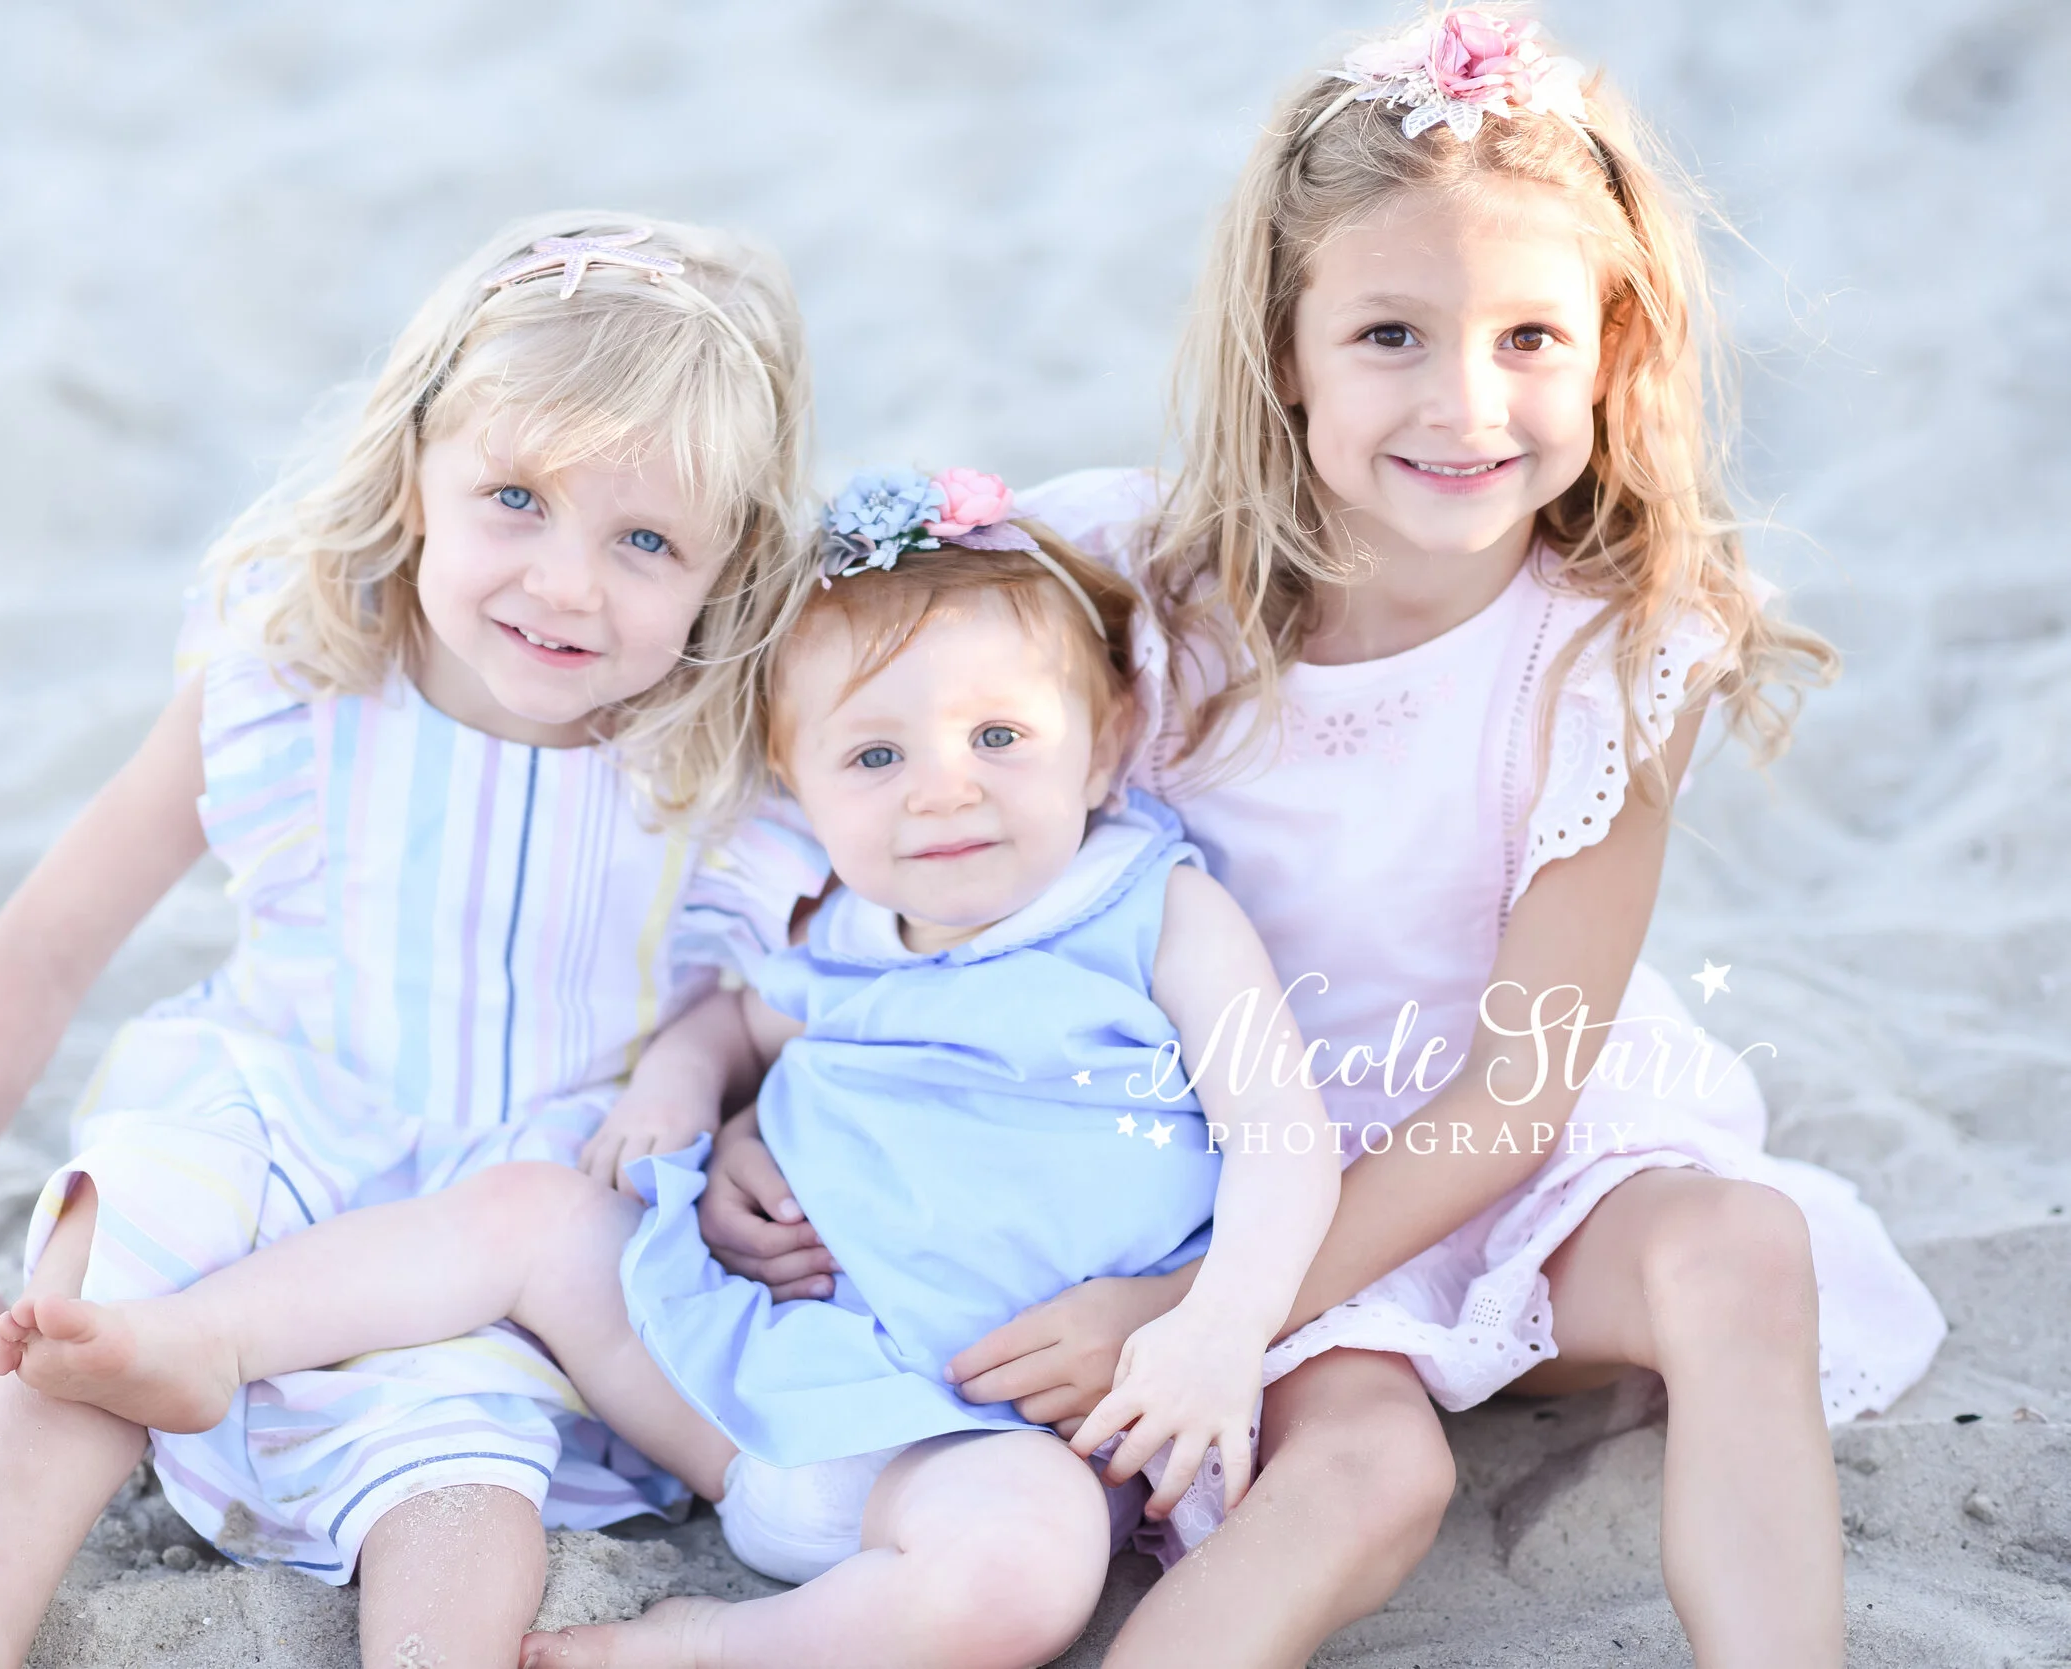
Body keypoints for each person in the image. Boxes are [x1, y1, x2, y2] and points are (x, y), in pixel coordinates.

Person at [701, 14, 1947, 1667]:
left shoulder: (1612, 655)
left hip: (1490, 1158)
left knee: (1743, 1248)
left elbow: (1521, 1092)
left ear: (1609, 347)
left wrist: (1201, 1324)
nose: (1464, 402)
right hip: (1200, 1160)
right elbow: (827, 792)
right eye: (1388, 334)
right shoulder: (1131, 573)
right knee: (1365, 1467)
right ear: (1283, 349)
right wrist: (744, 1081)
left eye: (1528, 336)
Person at [0, 470, 1340, 1669]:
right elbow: (735, 1023)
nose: (943, 789)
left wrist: (1215, 1332)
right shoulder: (839, 922)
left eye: (1001, 738)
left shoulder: (1150, 908)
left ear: (1102, 742)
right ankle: (209, 1339)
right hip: (742, 1372)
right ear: (794, 785)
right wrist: (679, 1091)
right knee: (526, 1213)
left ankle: (710, 1644)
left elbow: (1281, 1126)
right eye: (875, 755)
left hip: (975, 1448)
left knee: (1028, 1577)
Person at [0, 211, 818, 1669]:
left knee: (460, 1462)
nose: (566, 583)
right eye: (516, 498)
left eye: (644, 539)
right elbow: (48, 942)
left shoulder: (726, 771)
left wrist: (739, 1121)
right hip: (274, 1110)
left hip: (520, 1200)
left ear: (727, 568)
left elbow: (806, 1008)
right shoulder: (301, 685)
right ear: (417, 471)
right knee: (109, 1256)